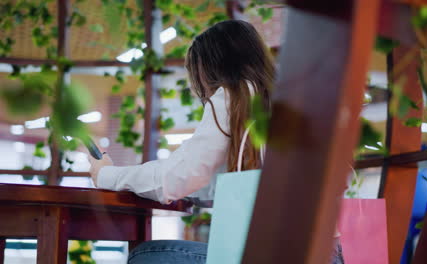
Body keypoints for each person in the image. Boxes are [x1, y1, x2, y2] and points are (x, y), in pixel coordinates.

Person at [89, 20, 344, 264]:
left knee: (147, 255)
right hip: (330, 255)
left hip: (273, 257)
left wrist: (106, 175)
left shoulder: (235, 96)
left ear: (211, 67)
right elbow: (204, 178)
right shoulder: (291, 103)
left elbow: (175, 178)